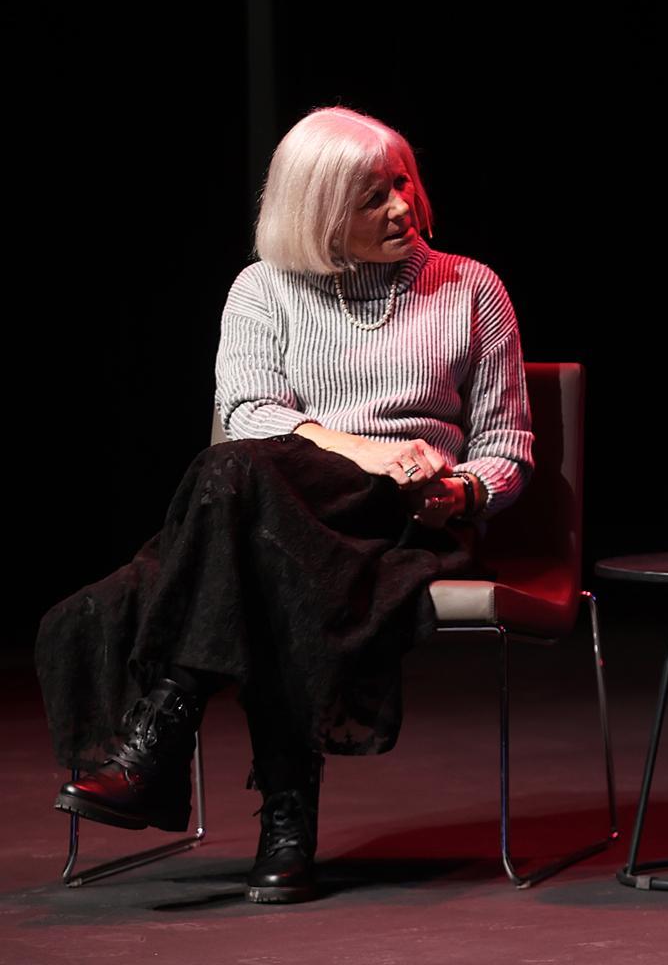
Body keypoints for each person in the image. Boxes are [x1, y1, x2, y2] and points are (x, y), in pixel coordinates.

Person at [36, 107, 533, 905]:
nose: (402, 207)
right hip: (286, 518)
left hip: (401, 523)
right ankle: (285, 823)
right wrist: (366, 448)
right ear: (319, 212)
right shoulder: (262, 289)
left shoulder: (472, 288)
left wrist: (461, 491)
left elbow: (508, 449)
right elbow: (251, 412)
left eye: (402, 182)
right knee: (262, 525)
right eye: (372, 198)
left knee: (237, 490)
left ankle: (163, 738)